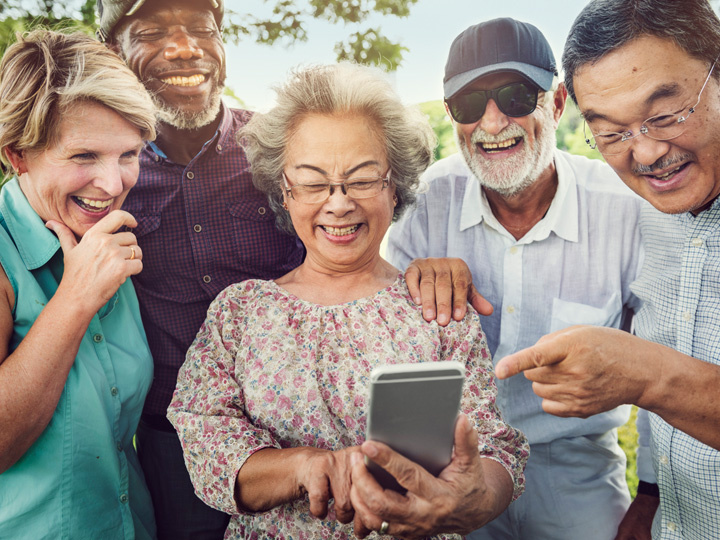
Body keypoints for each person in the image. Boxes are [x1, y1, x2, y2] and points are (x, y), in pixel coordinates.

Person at [96, 1, 485, 538]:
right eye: (154, 31)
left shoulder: (280, 140)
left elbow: (351, 236)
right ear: (114, 47)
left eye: (201, 28)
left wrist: (432, 271)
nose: (185, 47)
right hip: (173, 432)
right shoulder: (107, 170)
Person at [166, 62, 529, 540]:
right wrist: (304, 467)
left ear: (393, 184)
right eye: (314, 183)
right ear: (284, 189)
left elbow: (494, 447)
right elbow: (205, 440)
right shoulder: (239, 312)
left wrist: (469, 499)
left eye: (361, 179)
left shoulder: (435, 306)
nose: (338, 204)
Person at [387, 18, 643, 540]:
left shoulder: (625, 208)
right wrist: (405, 284)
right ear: (450, 117)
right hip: (455, 456)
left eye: (515, 95)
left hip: (576, 464)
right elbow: (387, 345)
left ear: (555, 103)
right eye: (468, 104)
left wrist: (654, 493)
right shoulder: (426, 200)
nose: (492, 121)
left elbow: (665, 358)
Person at [495, 1, 720, 538]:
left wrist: (645, 374)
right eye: (612, 131)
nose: (645, 151)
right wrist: (650, 498)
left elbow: (657, 376)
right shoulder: (648, 214)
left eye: (665, 115)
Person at [0, 29, 157, 539]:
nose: (113, 185)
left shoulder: (110, 231)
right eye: (84, 156)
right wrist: (76, 296)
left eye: (129, 154)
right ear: (17, 154)